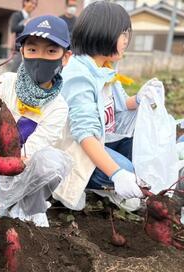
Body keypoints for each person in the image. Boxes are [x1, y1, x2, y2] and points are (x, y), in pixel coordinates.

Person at [0, 15, 73, 227]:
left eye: (51, 51)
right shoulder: (3, 83)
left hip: (23, 171)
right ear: (22, 51)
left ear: (65, 57)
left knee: (51, 164)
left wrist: (9, 164)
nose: (39, 57)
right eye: (32, 49)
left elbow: (30, 154)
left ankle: (29, 209)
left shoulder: (58, 107)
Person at [54, 2, 153, 210]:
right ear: (104, 32)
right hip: (77, 149)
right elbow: (84, 133)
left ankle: (125, 179)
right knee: (127, 169)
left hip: (102, 139)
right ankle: (79, 184)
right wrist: (117, 173)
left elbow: (119, 104)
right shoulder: (78, 73)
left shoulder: (103, 67)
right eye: (123, 34)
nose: (126, 40)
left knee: (145, 144)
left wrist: (140, 98)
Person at [8, 0, 38, 72]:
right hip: (18, 50)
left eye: (35, 4)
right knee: (14, 72)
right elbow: (13, 28)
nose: (34, 6)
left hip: (28, 49)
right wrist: (25, 25)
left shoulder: (30, 18)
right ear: (25, 2)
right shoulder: (17, 15)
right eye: (32, 3)